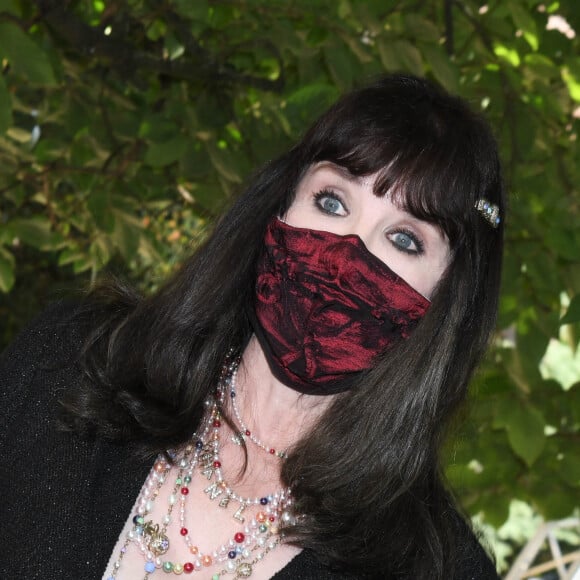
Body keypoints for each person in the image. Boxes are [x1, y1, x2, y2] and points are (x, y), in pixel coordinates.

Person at [0, 74, 504, 580]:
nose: (347, 250)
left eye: (404, 239)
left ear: (446, 304)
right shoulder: (74, 359)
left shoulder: (437, 569)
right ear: (279, 208)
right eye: (332, 202)